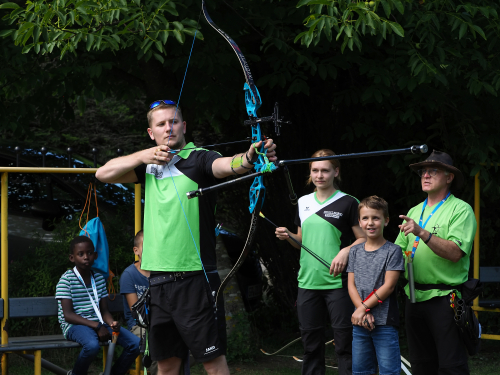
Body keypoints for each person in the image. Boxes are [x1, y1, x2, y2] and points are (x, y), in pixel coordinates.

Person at [96, 100, 277, 375]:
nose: (169, 127)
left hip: (195, 279)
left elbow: (228, 166)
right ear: (151, 132)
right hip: (158, 282)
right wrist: (143, 156)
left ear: (184, 126)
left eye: (174, 121)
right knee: (167, 366)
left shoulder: (200, 158)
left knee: (213, 364)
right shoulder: (148, 165)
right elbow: (102, 173)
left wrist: (251, 157)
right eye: (161, 124)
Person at [275, 149, 366, 375]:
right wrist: (288, 236)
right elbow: (301, 242)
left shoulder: (348, 202)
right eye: (315, 170)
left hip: (338, 284)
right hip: (307, 282)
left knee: (344, 346)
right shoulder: (303, 202)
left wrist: (345, 251)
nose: (319, 175)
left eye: (325, 170)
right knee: (311, 346)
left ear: (336, 171)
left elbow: (364, 239)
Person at [395, 150, 477, 375]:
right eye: (423, 171)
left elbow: (455, 253)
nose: (426, 175)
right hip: (413, 295)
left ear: (449, 177)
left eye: (433, 171)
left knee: (451, 367)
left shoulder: (460, 209)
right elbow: (397, 252)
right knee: (421, 366)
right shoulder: (414, 211)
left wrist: (422, 232)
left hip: (445, 299)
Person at [56, 235, 140, 375]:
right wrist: (97, 326)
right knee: (92, 346)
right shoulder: (66, 280)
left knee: (136, 344)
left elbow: (104, 310)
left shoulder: (99, 278)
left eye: (89, 253)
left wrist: (111, 322)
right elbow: (68, 315)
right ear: (72, 258)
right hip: (74, 325)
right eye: (80, 254)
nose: (86, 257)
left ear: (95, 255)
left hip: (99, 323)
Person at [346, 196, 405, 375]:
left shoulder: (393, 251)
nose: (370, 223)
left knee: (389, 371)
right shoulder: (354, 251)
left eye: (376, 218)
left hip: (385, 323)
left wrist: (363, 308)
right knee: (361, 371)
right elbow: (351, 285)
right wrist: (361, 311)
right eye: (365, 218)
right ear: (359, 222)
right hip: (360, 322)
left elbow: (388, 286)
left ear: (386, 221)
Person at [119, 230, 158, 375]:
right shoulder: (129, 275)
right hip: (137, 325)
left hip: (159, 320)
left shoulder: (161, 271)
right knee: (153, 342)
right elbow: (136, 312)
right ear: (136, 250)